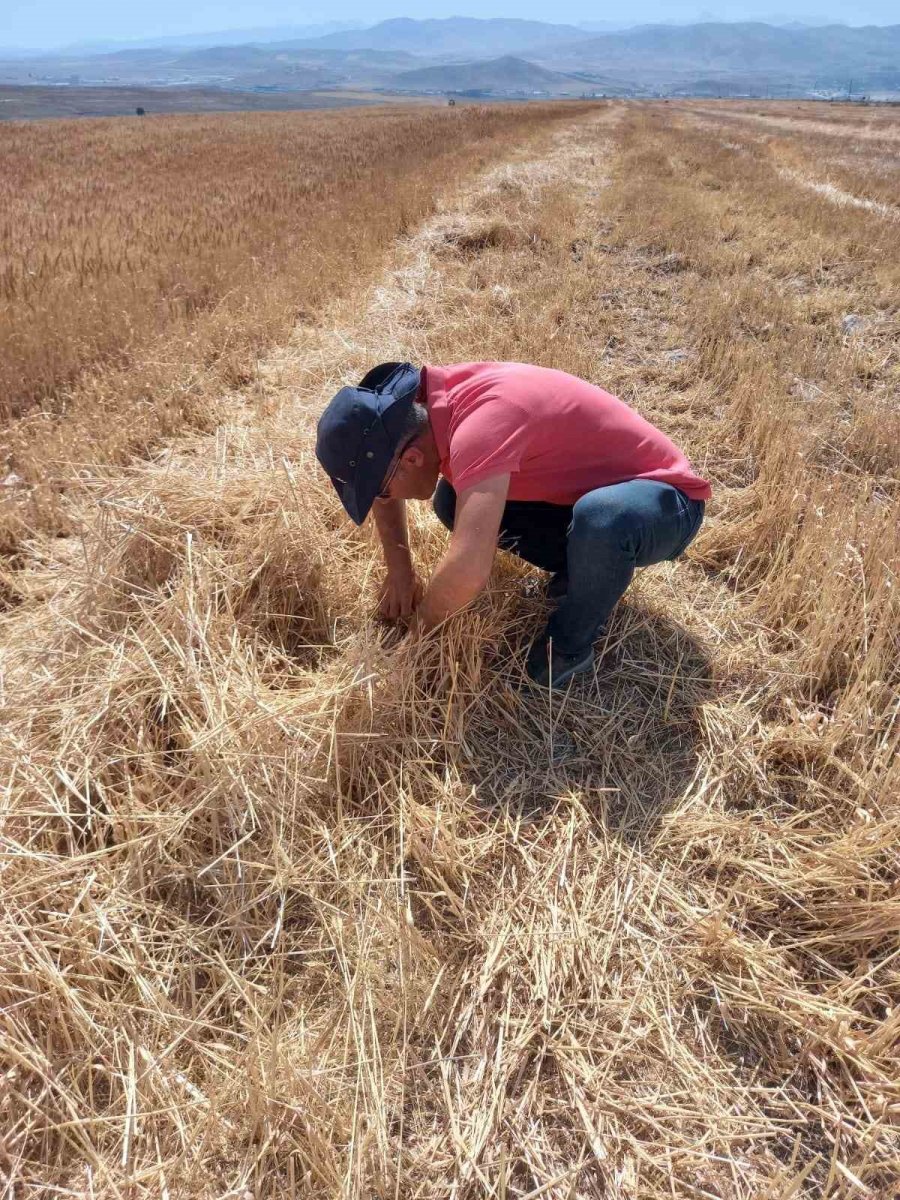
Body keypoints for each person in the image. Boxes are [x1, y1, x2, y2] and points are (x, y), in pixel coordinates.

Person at [315, 361, 710, 688]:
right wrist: (400, 571)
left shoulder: (481, 425)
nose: (384, 500)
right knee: (452, 500)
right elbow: (383, 472)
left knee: (603, 522)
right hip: (591, 497)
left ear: (414, 459)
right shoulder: (413, 414)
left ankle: (571, 645)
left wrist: (415, 644)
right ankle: (583, 569)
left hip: (666, 502)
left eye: (381, 491)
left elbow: (469, 570)